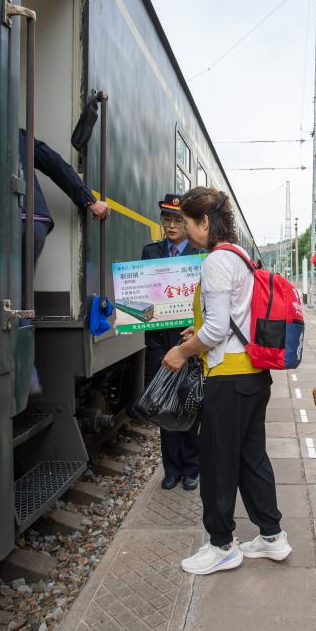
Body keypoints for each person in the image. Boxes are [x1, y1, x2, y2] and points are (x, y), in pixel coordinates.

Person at [161, 187, 290, 575]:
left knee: (217, 461)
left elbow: (218, 328)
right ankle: (272, 536)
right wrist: (198, 330)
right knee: (251, 458)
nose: (184, 230)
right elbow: (234, 317)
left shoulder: (216, 261)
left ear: (204, 222)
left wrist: (182, 352)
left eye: (186, 222)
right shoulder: (239, 256)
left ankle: (221, 545)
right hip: (253, 375)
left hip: (228, 379)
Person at [18, 130, 110, 394]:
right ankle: (28, 374)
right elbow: (55, 163)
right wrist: (90, 200)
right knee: (18, 298)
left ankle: (23, 374)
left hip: (13, 218)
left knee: (5, 297)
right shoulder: (18, 134)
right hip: (34, 219)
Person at [141, 194, 201, 491]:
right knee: (163, 405)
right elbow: (142, 296)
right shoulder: (150, 252)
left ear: (186, 222)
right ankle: (171, 468)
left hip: (188, 341)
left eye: (178, 219)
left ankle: (191, 467)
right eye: (167, 219)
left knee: (188, 404)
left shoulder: (199, 254)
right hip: (158, 342)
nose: (172, 225)